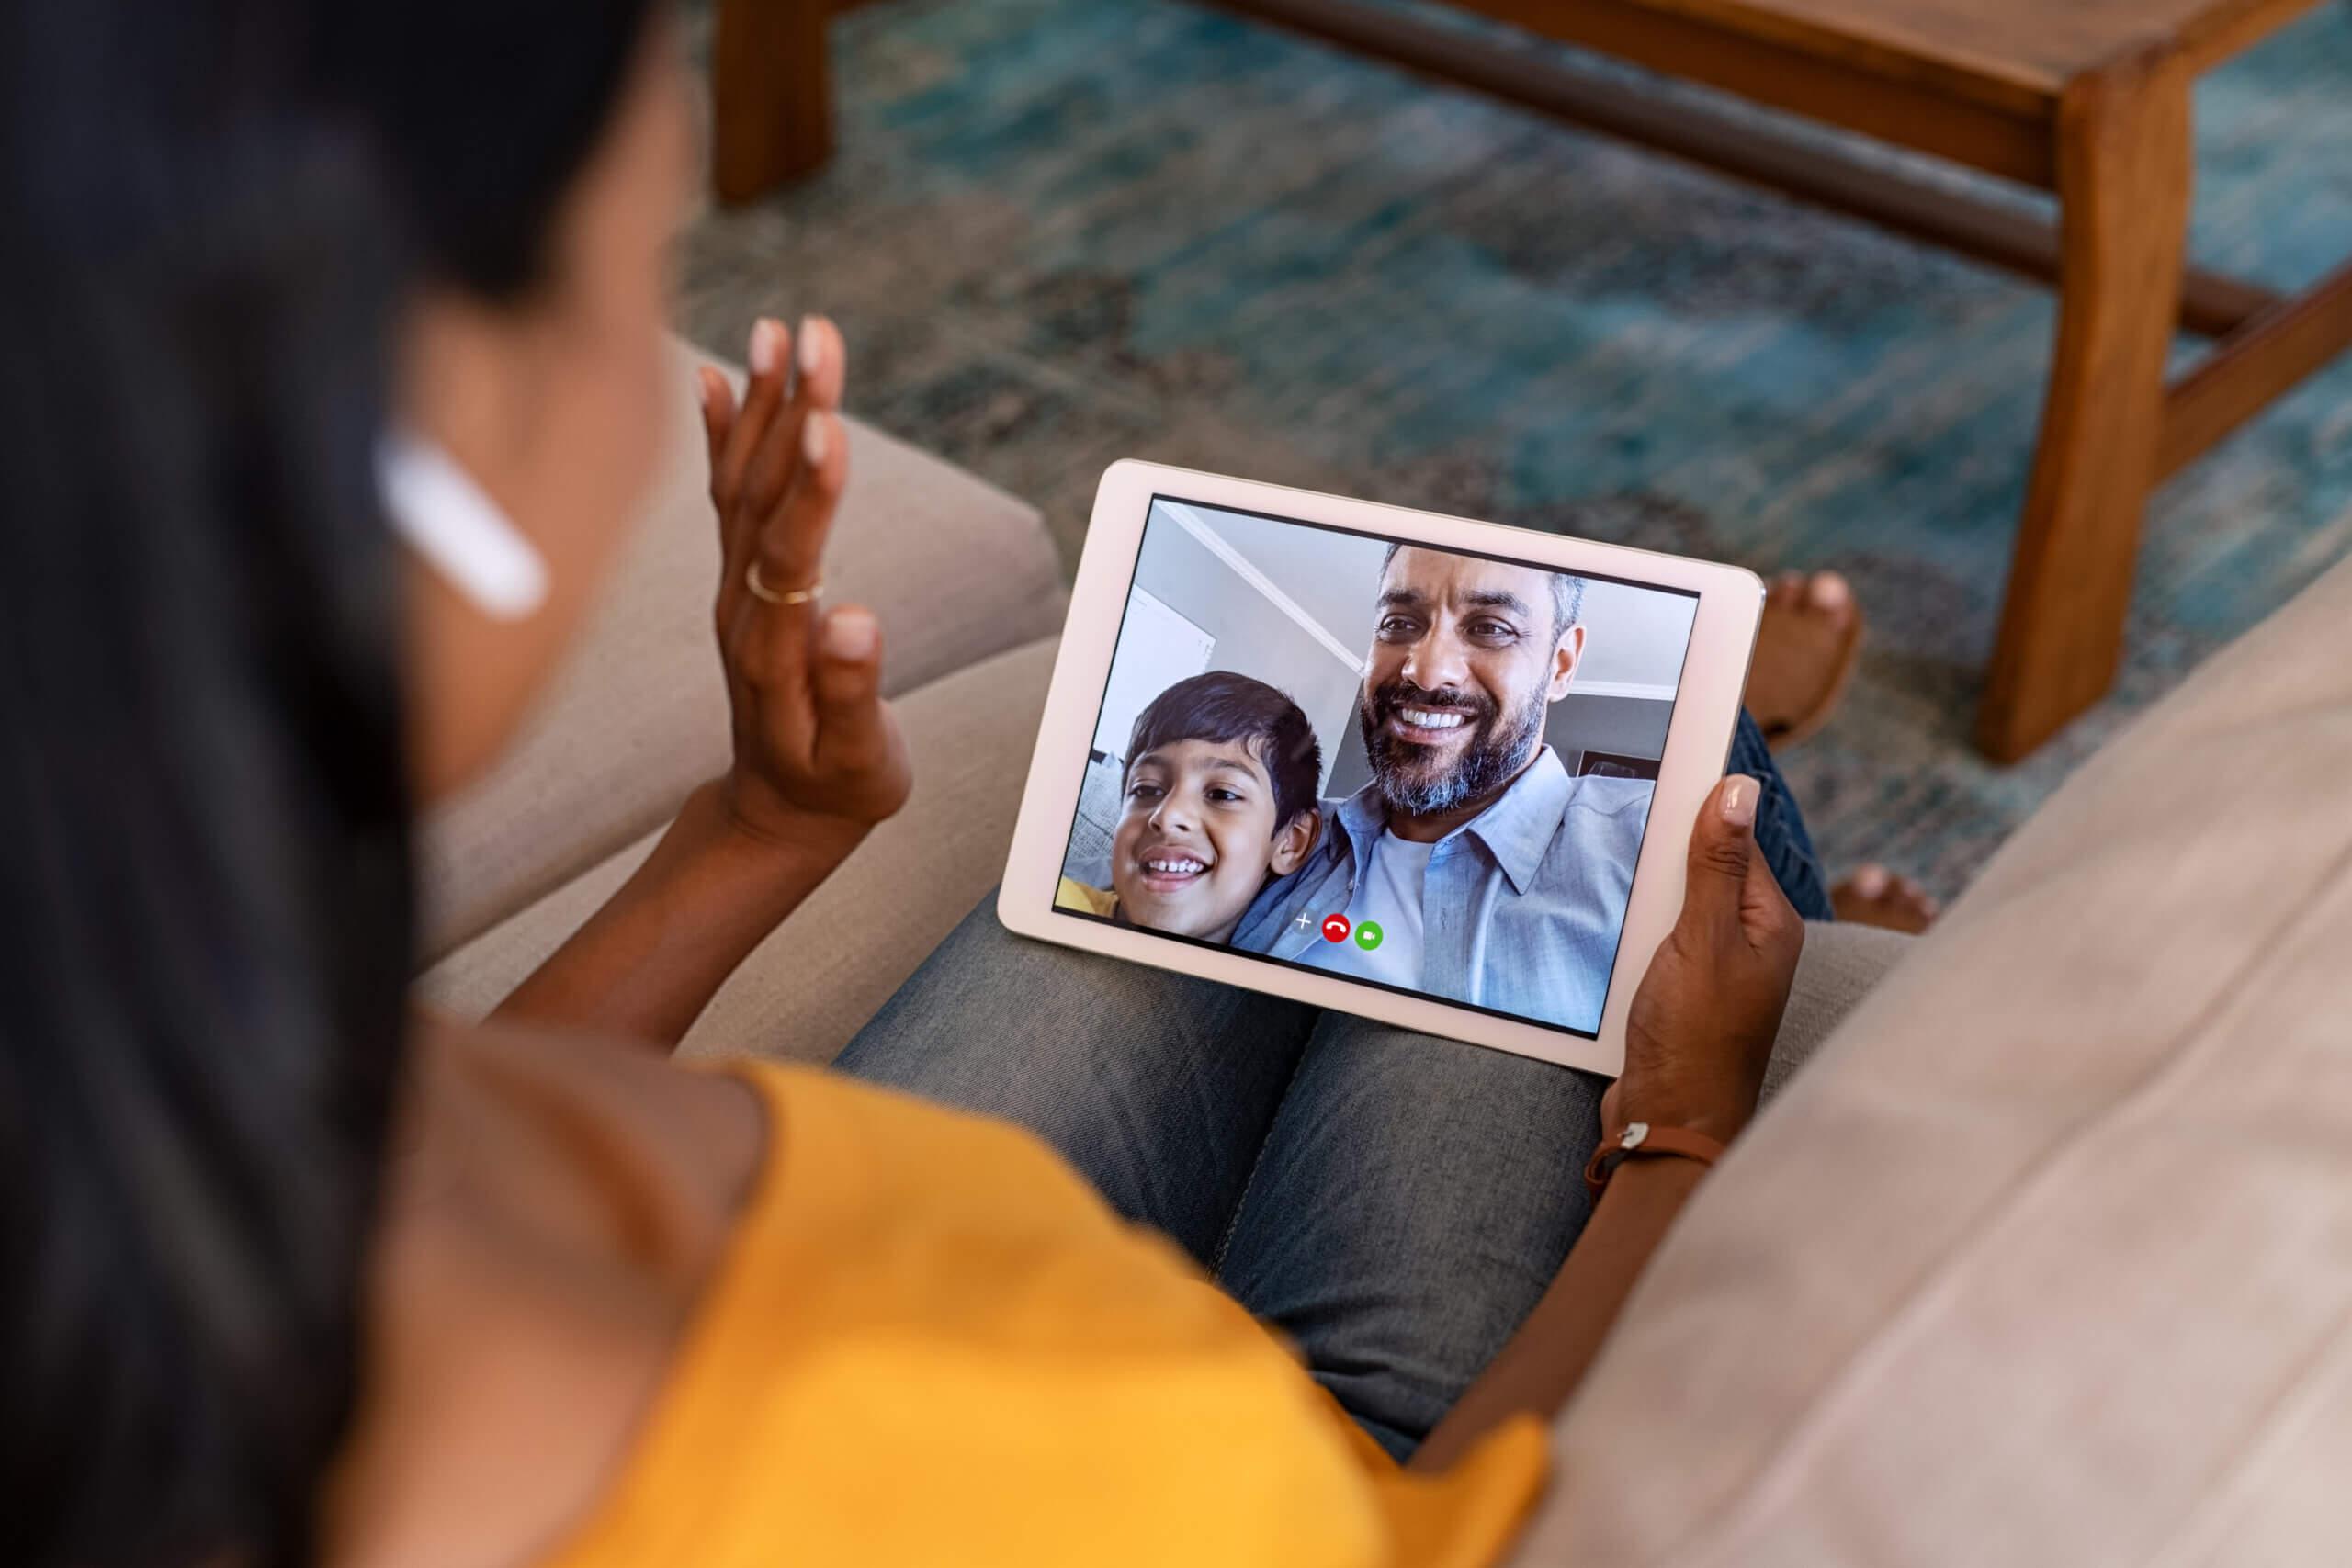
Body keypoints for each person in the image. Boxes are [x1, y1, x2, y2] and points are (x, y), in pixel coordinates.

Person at [4, 3, 1809, 1566]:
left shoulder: (129, 1038)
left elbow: (368, 1142)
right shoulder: (961, 1478)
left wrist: (750, 831)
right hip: (1323, 1454)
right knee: (1692, 774)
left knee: (1180, 873)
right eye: (650, 278)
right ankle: (1767, 746)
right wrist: (1683, 1132)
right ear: (439, 452)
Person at [1230, 544, 1651, 1032]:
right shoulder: (1283, 832)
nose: (1426, 672)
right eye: (1399, 623)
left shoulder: (1652, 843)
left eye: (1490, 628)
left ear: (1560, 665)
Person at [1054, 671, 1325, 941]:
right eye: (1146, 789)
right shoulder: (1061, 902)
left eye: (1222, 794)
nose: (1168, 814)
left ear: (1291, 842)